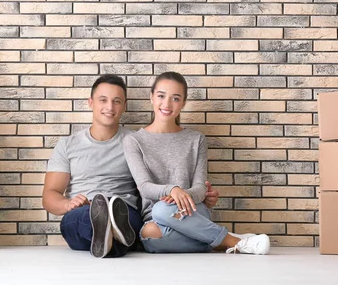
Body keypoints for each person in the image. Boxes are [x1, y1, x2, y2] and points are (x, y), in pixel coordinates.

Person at [42, 74, 220, 258]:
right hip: (83, 207)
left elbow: (159, 179)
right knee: (82, 219)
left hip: (123, 209)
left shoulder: (135, 141)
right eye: (103, 100)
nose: (110, 107)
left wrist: (196, 195)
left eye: (116, 101)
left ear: (124, 106)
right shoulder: (68, 145)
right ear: (90, 102)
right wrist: (68, 204)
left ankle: (109, 235)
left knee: (124, 222)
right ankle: (109, 233)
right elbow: (50, 194)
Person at [123, 71, 271, 255]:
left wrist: (181, 196)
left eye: (175, 98)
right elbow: (144, 187)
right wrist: (171, 190)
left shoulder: (196, 139)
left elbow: (201, 188)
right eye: (161, 96)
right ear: (152, 97)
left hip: (193, 211)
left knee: (163, 209)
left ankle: (228, 240)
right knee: (150, 237)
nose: (167, 104)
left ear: (183, 103)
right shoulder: (134, 141)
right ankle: (227, 240)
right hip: (156, 219)